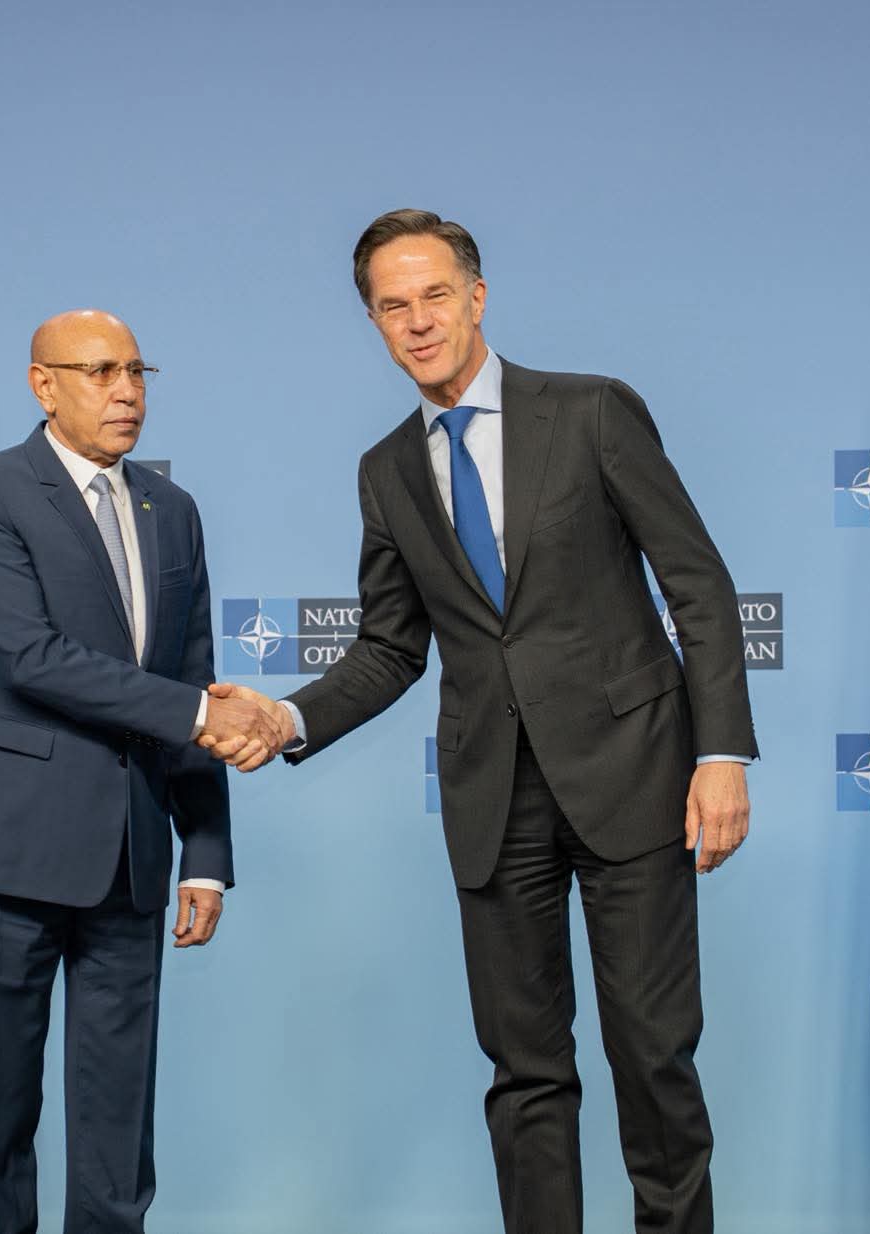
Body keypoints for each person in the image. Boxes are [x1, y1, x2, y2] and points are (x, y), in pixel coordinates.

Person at [209, 210, 758, 1234]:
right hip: (492, 799)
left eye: (433, 295)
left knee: (652, 1056)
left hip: (634, 774)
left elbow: (697, 583)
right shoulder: (385, 470)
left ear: (476, 296)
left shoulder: (591, 411)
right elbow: (389, 648)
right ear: (374, 322)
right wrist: (285, 716)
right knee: (524, 1072)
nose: (418, 321)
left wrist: (720, 752)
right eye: (393, 306)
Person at [0, 309, 281, 1234]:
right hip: (6, 856)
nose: (126, 392)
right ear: (43, 385)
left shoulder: (174, 510)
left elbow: (192, 674)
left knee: (119, 1138)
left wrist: (205, 850)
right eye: (99, 372)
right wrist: (202, 715)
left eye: (136, 371)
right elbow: (29, 657)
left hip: (131, 861)